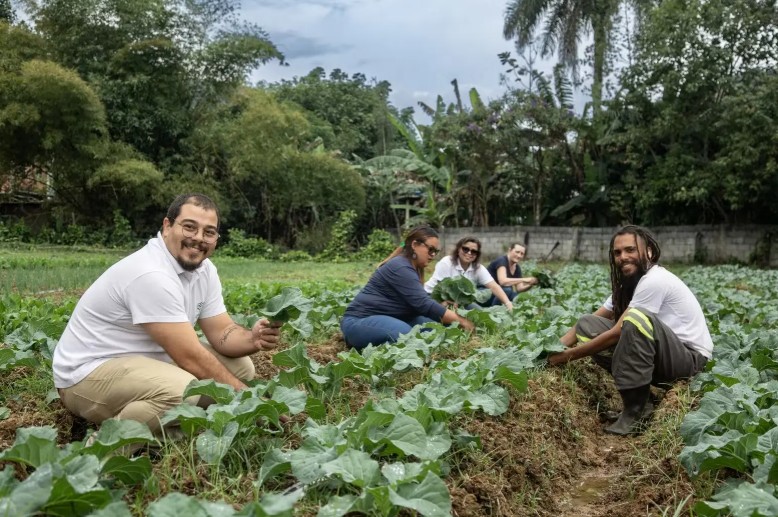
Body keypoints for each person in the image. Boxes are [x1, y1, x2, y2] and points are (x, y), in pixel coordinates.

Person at [53, 193, 281, 438]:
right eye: (189, 227)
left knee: (241, 368)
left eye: (209, 232)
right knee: (182, 391)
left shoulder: (204, 271)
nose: (198, 239)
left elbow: (222, 331)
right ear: (167, 226)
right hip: (86, 376)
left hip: (144, 363)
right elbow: (190, 357)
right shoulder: (150, 274)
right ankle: (103, 450)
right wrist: (251, 400)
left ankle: (165, 428)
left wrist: (252, 338)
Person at [548, 225, 713, 435]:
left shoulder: (655, 279)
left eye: (630, 250)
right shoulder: (629, 284)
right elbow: (592, 320)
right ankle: (643, 398)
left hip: (689, 360)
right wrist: (549, 351)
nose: (623, 257)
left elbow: (617, 332)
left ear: (649, 251)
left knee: (635, 319)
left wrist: (566, 357)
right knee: (587, 324)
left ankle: (637, 410)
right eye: (617, 253)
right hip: (663, 354)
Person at [340, 225, 475, 350]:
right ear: (415, 245)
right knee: (406, 335)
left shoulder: (412, 267)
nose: (433, 255)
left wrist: (442, 306)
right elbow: (424, 304)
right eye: (431, 249)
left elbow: (419, 300)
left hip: (390, 317)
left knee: (433, 328)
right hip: (359, 322)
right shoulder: (400, 266)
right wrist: (461, 321)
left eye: (436, 251)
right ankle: (372, 349)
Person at [424, 236, 513, 310]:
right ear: (458, 249)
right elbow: (441, 289)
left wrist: (508, 303)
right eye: (465, 249)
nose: (469, 253)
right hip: (432, 297)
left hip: (459, 301)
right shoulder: (447, 262)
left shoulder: (478, 268)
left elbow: (494, 286)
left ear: (477, 255)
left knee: (480, 314)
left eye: (474, 251)